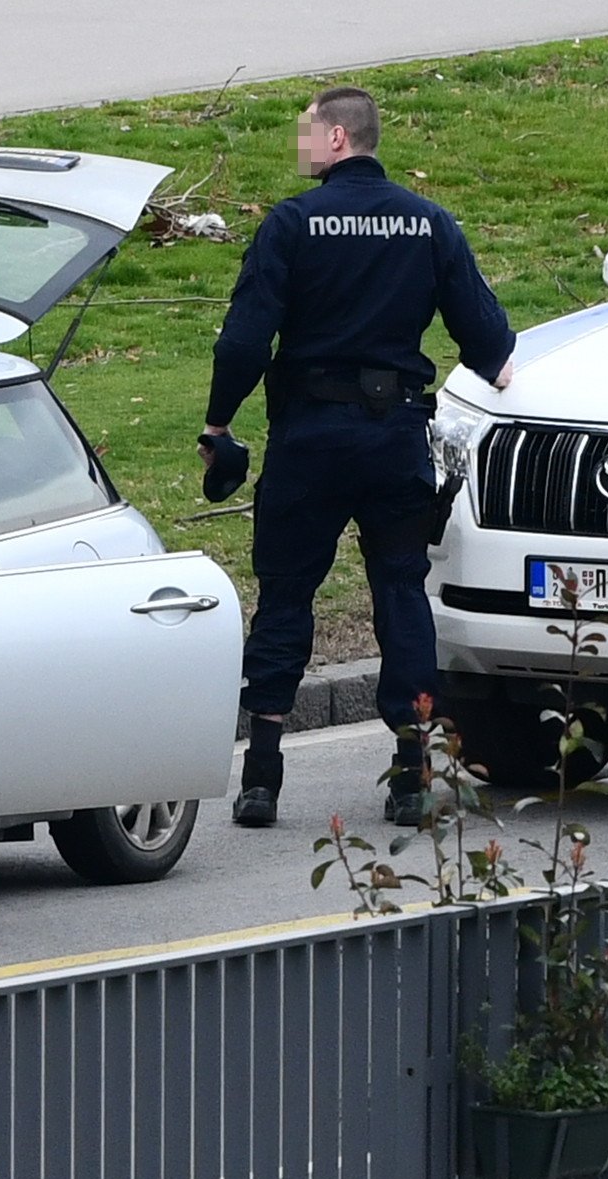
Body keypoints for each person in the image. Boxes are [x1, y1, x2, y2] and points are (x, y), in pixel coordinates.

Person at [201, 85, 517, 830]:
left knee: (285, 596)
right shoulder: (429, 223)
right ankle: (411, 776)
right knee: (401, 596)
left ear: (338, 140)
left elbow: (245, 341)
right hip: (394, 437)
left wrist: (218, 424)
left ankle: (263, 779)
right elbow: (492, 348)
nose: (301, 146)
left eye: (308, 133)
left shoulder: (291, 223)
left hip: (309, 438)